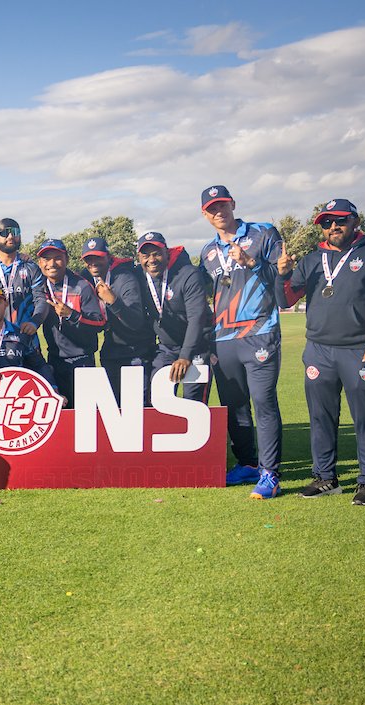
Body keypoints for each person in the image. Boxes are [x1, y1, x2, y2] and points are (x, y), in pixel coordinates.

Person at [276, 199, 365, 506]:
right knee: (321, 417)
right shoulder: (312, 259)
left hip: (360, 349)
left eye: (341, 221)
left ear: (355, 222)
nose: (334, 227)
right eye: (327, 222)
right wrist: (282, 275)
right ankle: (325, 478)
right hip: (319, 350)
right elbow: (286, 300)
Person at [198, 185, 285, 498]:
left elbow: (283, 277)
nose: (219, 212)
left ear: (233, 204)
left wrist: (251, 262)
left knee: (263, 402)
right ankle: (247, 464)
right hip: (224, 339)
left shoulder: (263, 234)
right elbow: (202, 298)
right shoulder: (207, 252)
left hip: (260, 331)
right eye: (212, 209)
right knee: (234, 406)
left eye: (223, 205)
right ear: (204, 214)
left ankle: (270, 474)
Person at [135, 233, 212, 403]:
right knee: (157, 396)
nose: (152, 259)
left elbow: (197, 317)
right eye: (146, 255)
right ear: (139, 257)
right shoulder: (139, 277)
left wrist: (185, 356)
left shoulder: (188, 274)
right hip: (167, 347)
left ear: (167, 253)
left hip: (198, 347)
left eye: (157, 253)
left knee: (194, 402)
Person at [80, 237, 155, 402]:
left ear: (108, 257)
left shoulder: (125, 279)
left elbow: (136, 321)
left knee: (138, 410)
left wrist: (113, 301)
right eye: (88, 259)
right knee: (114, 408)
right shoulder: (87, 276)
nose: (93, 263)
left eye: (98, 257)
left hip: (136, 352)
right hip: (110, 352)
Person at [35, 238, 105, 407]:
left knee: (86, 415)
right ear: (40, 262)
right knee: (58, 415)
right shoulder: (39, 286)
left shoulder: (81, 285)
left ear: (66, 259)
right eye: (46, 259)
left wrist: (72, 315)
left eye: (57, 257)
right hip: (53, 361)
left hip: (82, 361)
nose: (52, 263)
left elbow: (100, 323)